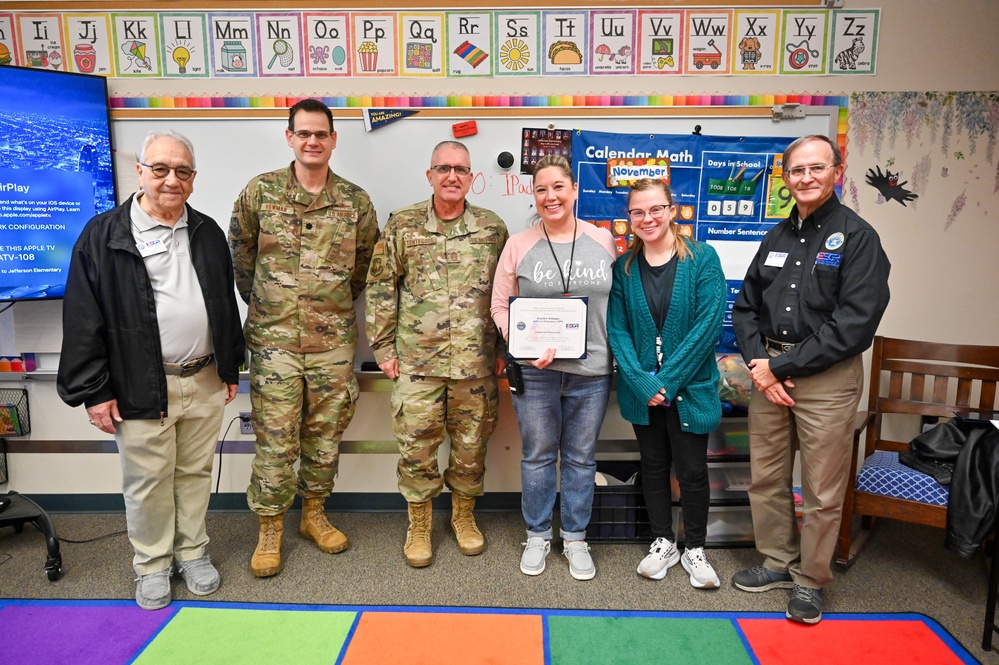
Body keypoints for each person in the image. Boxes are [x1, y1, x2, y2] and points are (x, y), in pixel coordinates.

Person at [57, 130, 244, 610]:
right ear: (139, 171)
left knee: (195, 474)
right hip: (140, 382)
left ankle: (193, 553)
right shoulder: (103, 237)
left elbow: (223, 302)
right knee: (148, 483)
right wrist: (94, 391)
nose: (170, 180)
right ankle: (153, 565)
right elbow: (83, 318)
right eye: (159, 168)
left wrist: (228, 365)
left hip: (202, 377)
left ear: (194, 179)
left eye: (182, 171)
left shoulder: (206, 232)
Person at [731, 134, 891, 624]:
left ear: (835, 172)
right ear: (785, 177)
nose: (805, 178)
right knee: (767, 477)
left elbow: (854, 326)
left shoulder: (858, 238)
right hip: (769, 374)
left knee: (821, 488)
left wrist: (778, 368)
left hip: (825, 380)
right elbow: (746, 307)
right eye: (796, 170)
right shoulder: (776, 237)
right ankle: (778, 562)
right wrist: (762, 366)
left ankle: (811, 579)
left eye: (815, 168)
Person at [229, 99, 379, 578]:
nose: (313, 141)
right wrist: (273, 307)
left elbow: (363, 270)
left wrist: (327, 308)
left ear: (334, 139)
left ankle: (313, 514)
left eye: (321, 134)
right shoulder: (260, 193)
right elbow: (241, 259)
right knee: (275, 440)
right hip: (274, 343)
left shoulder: (356, 202)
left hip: (333, 342)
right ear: (290, 137)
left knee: (325, 437)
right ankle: (270, 528)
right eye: (304, 134)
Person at [366, 141, 508, 568]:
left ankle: (464, 518)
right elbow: (379, 287)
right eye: (443, 168)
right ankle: (420, 524)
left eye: (460, 169)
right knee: (417, 449)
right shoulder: (403, 226)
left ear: (471, 177)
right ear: (430, 175)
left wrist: (504, 348)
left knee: (471, 448)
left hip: (477, 365)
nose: (452, 176)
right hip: (415, 364)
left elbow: (508, 292)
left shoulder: (492, 227)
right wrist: (382, 346)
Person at [490, 154, 617, 581]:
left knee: (581, 458)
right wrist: (522, 343)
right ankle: (538, 534)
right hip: (537, 373)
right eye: (541, 189)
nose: (551, 196)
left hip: (592, 371)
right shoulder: (519, 244)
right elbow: (499, 306)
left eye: (558, 187)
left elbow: (614, 305)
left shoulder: (603, 241)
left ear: (575, 189)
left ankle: (576, 537)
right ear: (534, 194)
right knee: (539, 455)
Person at [606, 179, 727, 589]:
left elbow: (708, 326)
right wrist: (643, 383)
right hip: (644, 394)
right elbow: (617, 330)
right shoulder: (623, 269)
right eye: (637, 212)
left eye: (655, 209)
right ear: (630, 219)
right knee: (653, 468)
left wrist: (669, 381)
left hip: (689, 390)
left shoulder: (703, 259)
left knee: (692, 471)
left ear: (672, 210)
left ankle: (695, 547)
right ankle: (663, 542)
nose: (647, 219)